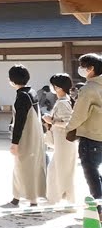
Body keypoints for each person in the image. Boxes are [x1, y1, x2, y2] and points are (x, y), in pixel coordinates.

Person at [5, 63, 47, 208]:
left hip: (26, 136)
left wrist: (14, 142)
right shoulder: (31, 91)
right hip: (36, 135)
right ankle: (17, 197)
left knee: (24, 167)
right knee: (26, 166)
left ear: (12, 80)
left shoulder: (21, 96)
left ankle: (32, 200)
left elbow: (20, 121)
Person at [63, 53, 102, 201]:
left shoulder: (88, 89)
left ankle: (99, 204)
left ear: (91, 69)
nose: (80, 69)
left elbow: (79, 115)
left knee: (90, 170)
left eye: (82, 67)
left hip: (90, 136)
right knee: (95, 169)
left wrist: (68, 128)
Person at [44, 73, 78, 205]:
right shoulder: (65, 100)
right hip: (64, 142)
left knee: (55, 171)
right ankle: (66, 200)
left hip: (64, 142)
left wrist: (51, 120)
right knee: (64, 172)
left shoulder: (63, 102)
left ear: (57, 87)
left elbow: (68, 123)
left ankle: (55, 200)